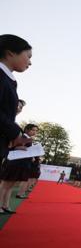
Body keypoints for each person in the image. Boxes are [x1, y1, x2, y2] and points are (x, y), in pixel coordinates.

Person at [0, 35, 32, 163]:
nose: (30, 62)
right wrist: (15, 131)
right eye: (28, 56)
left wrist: (10, 144)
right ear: (11, 52)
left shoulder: (7, 79)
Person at [0, 124, 37, 214]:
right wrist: (23, 150)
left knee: (11, 186)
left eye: (36, 131)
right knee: (5, 185)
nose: (35, 132)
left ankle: (5, 206)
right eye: (33, 130)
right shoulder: (22, 137)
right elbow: (11, 147)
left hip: (23, 164)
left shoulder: (29, 139)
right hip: (16, 163)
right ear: (26, 129)